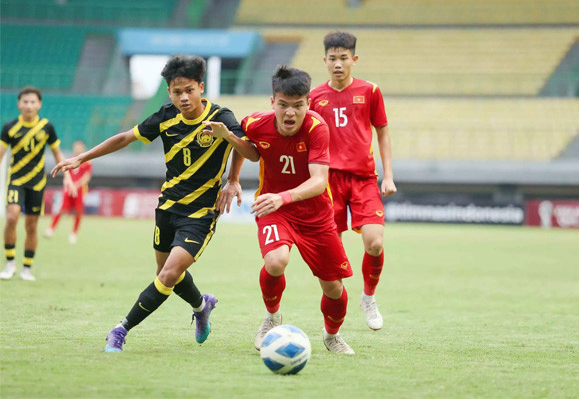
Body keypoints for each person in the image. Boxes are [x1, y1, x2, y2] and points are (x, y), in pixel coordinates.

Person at [52, 54, 260, 352]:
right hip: (167, 209)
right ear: (169, 92)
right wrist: (82, 158)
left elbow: (251, 151)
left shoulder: (221, 117)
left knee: (168, 274)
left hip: (201, 214)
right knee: (168, 275)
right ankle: (202, 306)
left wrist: (232, 170)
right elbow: (125, 138)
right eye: (177, 92)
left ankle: (121, 329)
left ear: (201, 87)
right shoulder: (165, 116)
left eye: (189, 90)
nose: (184, 97)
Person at [216, 65, 355, 354]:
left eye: (298, 105)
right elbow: (247, 148)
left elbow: (319, 181)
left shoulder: (317, 129)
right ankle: (272, 317)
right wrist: (233, 179)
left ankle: (332, 335)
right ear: (273, 102)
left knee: (334, 288)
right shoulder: (255, 123)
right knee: (276, 261)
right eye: (283, 105)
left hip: (315, 215)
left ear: (308, 103)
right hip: (273, 207)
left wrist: (284, 197)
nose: (290, 113)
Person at [309, 31, 397, 331]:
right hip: (327, 181)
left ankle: (368, 297)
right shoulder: (314, 97)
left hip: (363, 179)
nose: (338, 64)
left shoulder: (370, 91)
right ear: (324, 61)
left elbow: (382, 132)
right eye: (332, 58)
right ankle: (336, 308)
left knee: (375, 242)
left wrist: (389, 176)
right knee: (331, 250)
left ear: (354, 59)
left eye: (343, 58)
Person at [0, 86, 73, 281]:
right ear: (19, 104)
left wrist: (67, 177)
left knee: (31, 226)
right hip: (15, 180)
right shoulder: (9, 127)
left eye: (33, 102)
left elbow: (57, 153)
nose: (29, 105)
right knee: (12, 217)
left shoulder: (47, 127)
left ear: (39, 104)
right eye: (25, 102)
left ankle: (27, 267)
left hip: (37, 183)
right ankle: (9, 263)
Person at [45, 140, 92, 244]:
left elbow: (87, 176)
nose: (77, 148)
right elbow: (66, 174)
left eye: (79, 147)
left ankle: (74, 234)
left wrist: (77, 185)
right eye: (76, 146)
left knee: (78, 212)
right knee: (62, 210)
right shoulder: (70, 159)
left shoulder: (87, 162)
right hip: (68, 189)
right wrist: (68, 184)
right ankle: (51, 229)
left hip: (79, 190)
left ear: (83, 148)